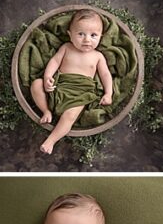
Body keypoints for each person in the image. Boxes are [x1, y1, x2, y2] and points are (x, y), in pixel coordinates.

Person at [31, 10, 114, 155]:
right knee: (36, 84)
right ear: (70, 35)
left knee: (70, 116)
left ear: (101, 36)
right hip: (58, 87)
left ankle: (51, 140)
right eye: (80, 34)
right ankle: (46, 111)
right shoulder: (66, 47)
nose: (87, 40)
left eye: (93, 35)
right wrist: (47, 77)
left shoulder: (98, 56)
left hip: (80, 94)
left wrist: (108, 93)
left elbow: (106, 75)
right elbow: (55, 61)